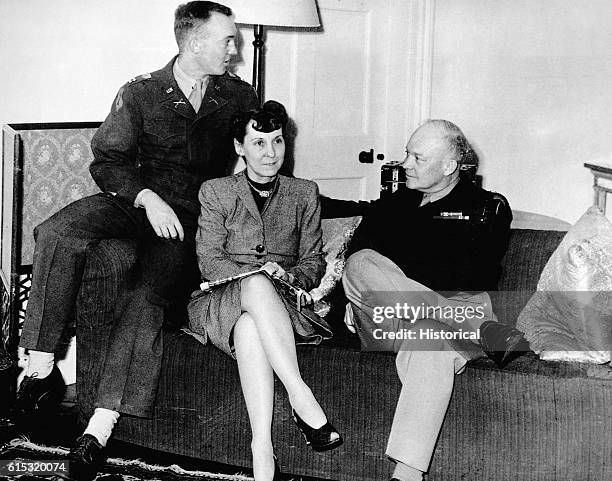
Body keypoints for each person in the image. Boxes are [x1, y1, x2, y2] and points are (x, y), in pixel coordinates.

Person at [15, 0, 258, 473]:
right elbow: (108, 159)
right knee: (58, 230)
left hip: (187, 222)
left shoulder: (237, 97)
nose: (235, 48)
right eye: (228, 39)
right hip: (138, 202)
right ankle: (41, 366)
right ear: (193, 42)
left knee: (147, 296)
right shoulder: (143, 93)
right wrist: (147, 197)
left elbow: (260, 154)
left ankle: (100, 426)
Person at [322, 119, 529, 481]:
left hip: (437, 326)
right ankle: (482, 329)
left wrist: (397, 278)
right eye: (407, 153)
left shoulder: (485, 207)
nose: (405, 163)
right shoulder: (393, 204)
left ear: (449, 166)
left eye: (417, 157)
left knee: (428, 336)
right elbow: (358, 265)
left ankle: (407, 474)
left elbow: (467, 276)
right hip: (394, 321)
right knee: (360, 262)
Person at [187, 101, 343, 481]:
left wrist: (288, 279)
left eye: (277, 142)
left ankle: (262, 447)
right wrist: (258, 273)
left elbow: (312, 263)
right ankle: (300, 396)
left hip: (279, 306)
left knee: (250, 329)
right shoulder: (217, 191)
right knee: (255, 283)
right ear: (240, 147)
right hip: (219, 298)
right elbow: (209, 259)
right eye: (258, 143)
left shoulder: (304, 192)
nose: (270, 153)